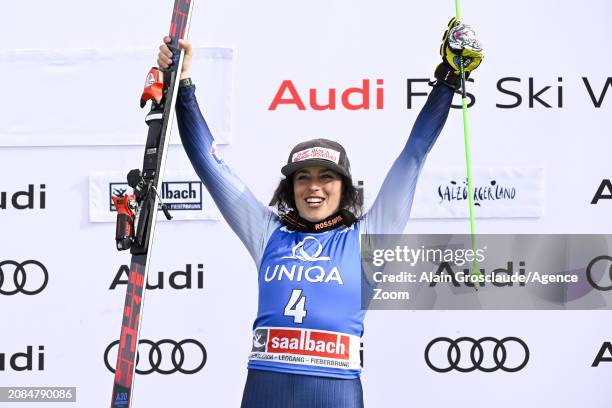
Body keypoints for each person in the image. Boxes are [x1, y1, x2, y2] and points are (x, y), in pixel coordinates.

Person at [157, 17, 483, 408]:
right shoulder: (267, 233)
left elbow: (415, 153)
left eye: (327, 177)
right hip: (265, 391)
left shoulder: (368, 237)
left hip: (337, 391)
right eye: (302, 178)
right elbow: (211, 167)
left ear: (344, 188)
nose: (314, 187)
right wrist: (184, 86)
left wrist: (448, 77)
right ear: (289, 188)